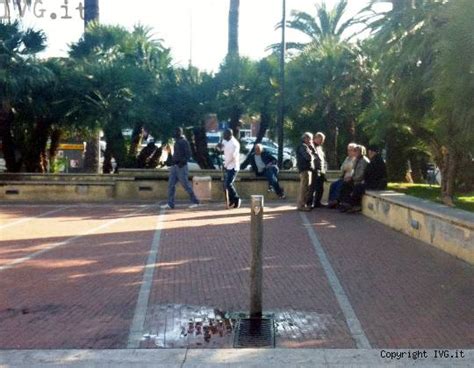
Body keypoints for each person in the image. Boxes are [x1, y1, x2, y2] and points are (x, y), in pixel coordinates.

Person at [160, 127, 200, 209]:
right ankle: (170, 203)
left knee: (185, 185)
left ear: (180, 133)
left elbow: (188, 154)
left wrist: (182, 162)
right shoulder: (177, 142)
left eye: (176, 132)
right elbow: (176, 155)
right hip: (174, 166)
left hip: (181, 167)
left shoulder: (184, 142)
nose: (174, 133)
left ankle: (195, 201)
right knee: (171, 185)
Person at [339, 144, 370, 213]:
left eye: (357, 151)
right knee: (344, 184)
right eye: (355, 151)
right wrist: (350, 177)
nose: (355, 152)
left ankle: (354, 205)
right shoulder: (356, 160)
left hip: (362, 181)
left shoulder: (364, 161)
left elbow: (361, 174)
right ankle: (344, 203)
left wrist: (353, 179)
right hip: (355, 179)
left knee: (356, 188)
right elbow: (353, 171)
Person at [327, 143, 357, 208]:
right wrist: (345, 169)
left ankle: (336, 200)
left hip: (350, 178)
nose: (349, 152)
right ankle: (331, 200)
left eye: (351, 150)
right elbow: (342, 168)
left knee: (340, 185)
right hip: (344, 177)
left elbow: (353, 169)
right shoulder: (347, 158)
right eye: (348, 150)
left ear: (354, 151)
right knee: (333, 184)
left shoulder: (355, 159)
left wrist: (347, 169)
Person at [220, 128, 241, 209]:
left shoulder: (235, 144)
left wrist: (225, 165)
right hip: (227, 166)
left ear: (230, 135)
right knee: (225, 185)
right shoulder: (225, 140)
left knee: (229, 184)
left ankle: (236, 198)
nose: (223, 136)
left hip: (233, 166)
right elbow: (221, 149)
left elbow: (233, 157)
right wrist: (219, 147)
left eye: (225, 134)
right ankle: (231, 200)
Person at [296, 132, 315, 211]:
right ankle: (301, 205)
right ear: (305, 139)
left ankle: (303, 204)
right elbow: (308, 157)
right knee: (304, 187)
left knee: (306, 187)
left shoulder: (306, 147)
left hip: (306, 169)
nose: (311, 140)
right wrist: (312, 153)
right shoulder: (303, 147)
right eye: (310, 139)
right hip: (305, 169)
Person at [307, 132, 326, 208]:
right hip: (314, 170)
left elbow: (322, 159)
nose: (321, 141)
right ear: (315, 138)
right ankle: (309, 202)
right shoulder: (311, 147)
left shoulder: (320, 148)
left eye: (323, 140)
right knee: (312, 187)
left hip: (321, 170)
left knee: (320, 188)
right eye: (320, 139)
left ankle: (317, 202)